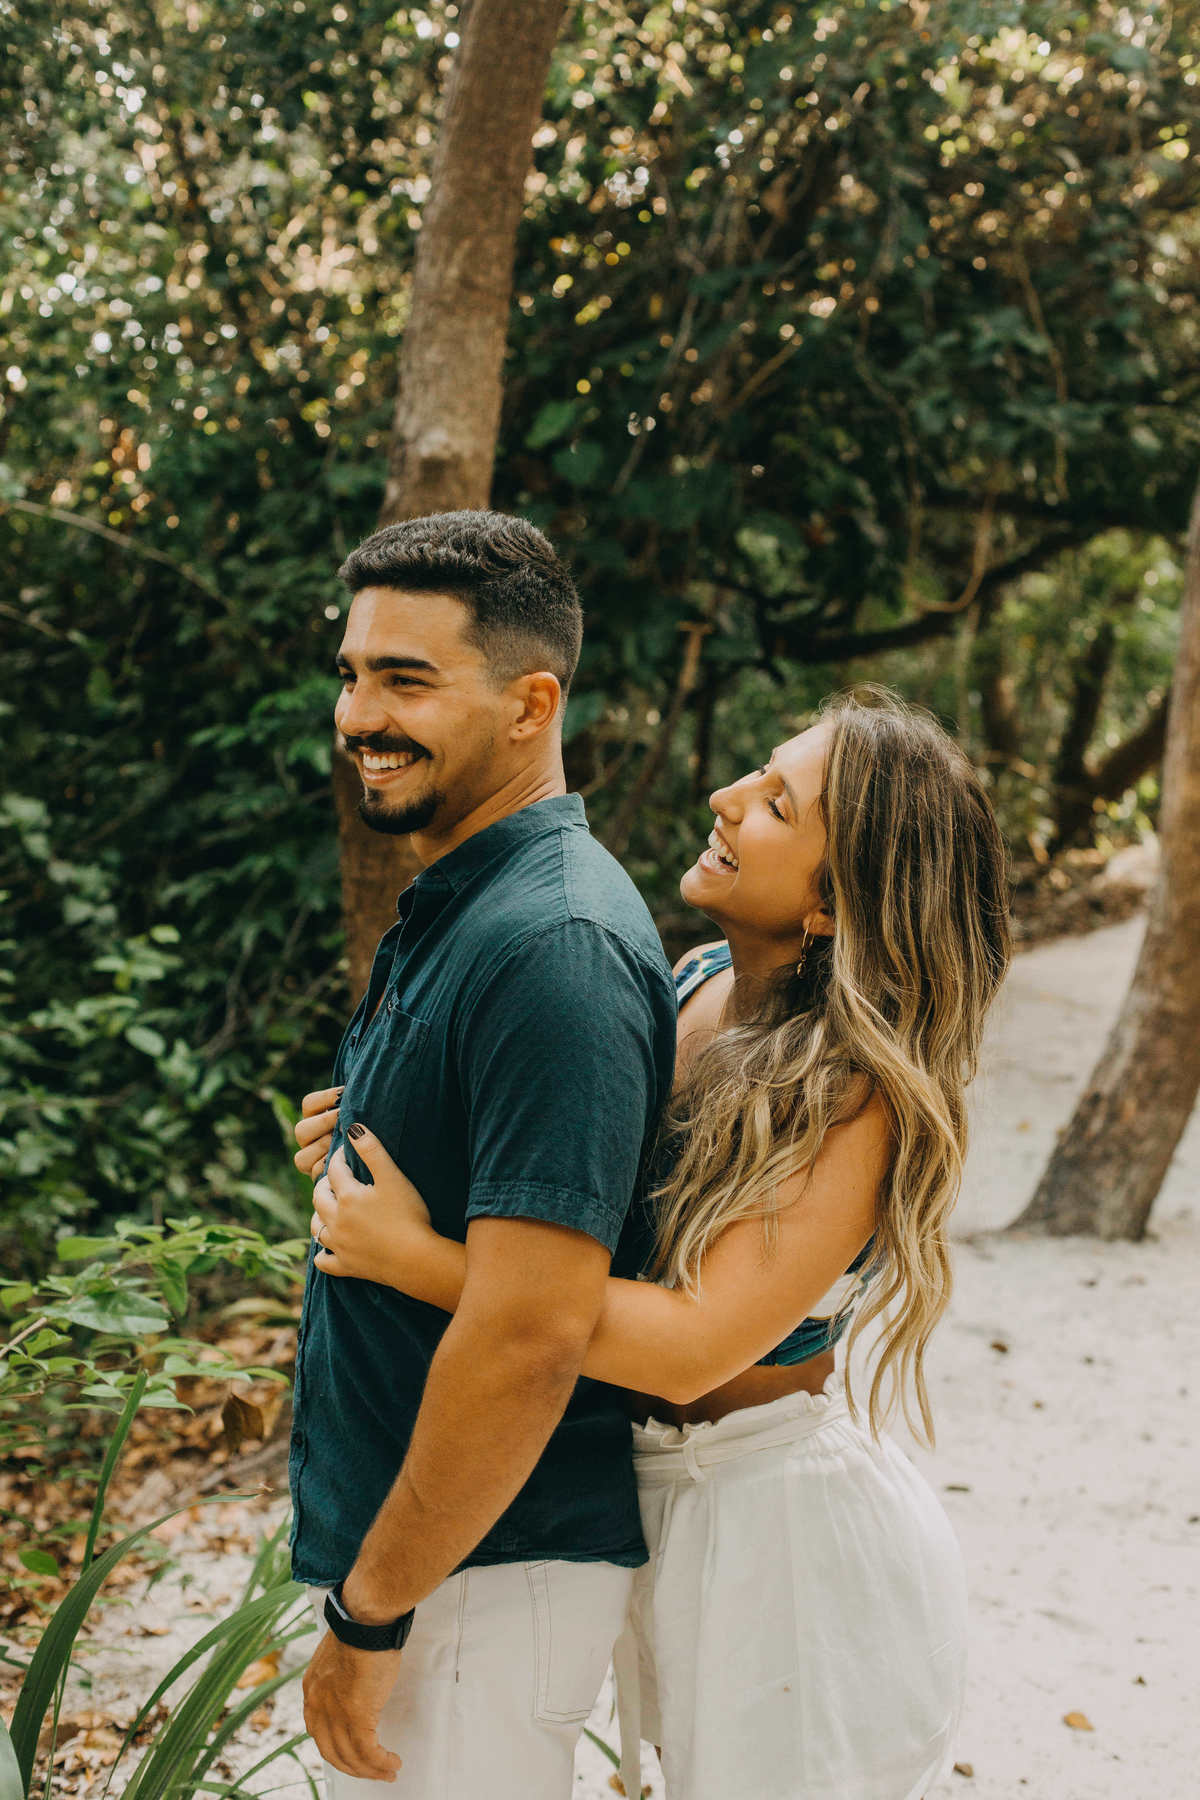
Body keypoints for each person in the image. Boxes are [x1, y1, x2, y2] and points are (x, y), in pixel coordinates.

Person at [299, 684, 1012, 1800]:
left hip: (776, 1530)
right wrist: (390, 1140)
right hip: (646, 1493)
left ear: (834, 902)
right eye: (754, 774)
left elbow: (691, 1346)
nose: (727, 799)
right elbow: (559, 1198)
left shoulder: (855, 1094)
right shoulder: (692, 986)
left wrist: (420, 1258)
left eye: (777, 803)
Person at [288, 510, 679, 1798]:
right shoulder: (470, 896)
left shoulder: (550, 944)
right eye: (352, 674)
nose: (360, 714)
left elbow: (529, 1334)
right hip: (440, 1572)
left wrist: (373, 1614)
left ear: (531, 704)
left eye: (407, 680)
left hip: (472, 1588)